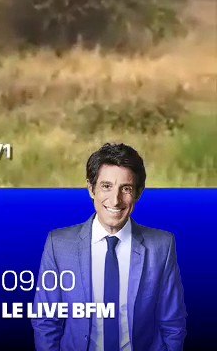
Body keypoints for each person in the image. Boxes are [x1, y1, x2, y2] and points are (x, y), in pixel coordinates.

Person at [32, 143, 187, 351]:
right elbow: (45, 320)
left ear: (138, 193)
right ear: (91, 189)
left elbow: (173, 323)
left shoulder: (162, 246)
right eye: (106, 186)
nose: (115, 200)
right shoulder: (58, 245)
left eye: (126, 188)